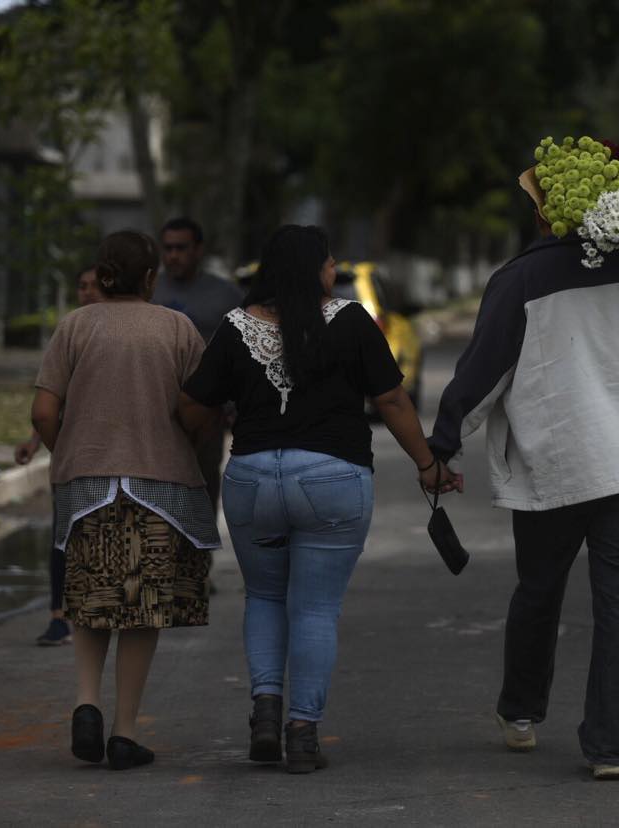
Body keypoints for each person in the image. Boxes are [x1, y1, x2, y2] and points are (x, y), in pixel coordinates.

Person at [428, 153, 619, 780]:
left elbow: (480, 377)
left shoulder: (518, 281)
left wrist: (442, 447)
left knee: (539, 590)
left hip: (550, 468)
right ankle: (609, 747)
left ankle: (521, 711)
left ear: (541, 211)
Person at [179, 224, 458, 774]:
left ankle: (264, 711)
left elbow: (192, 409)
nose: (335, 271)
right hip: (332, 481)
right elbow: (394, 401)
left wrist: (214, 427)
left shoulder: (235, 329)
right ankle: (302, 734)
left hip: (253, 480)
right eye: (330, 262)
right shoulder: (351, 321)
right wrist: (428, 465)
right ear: (316, 269)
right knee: (314, 609)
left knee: (263, 597)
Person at [31, 230, 219, 771]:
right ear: (152, 278)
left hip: (87, 488)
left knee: (89, 598)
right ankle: (124, 732)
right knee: (142, 609)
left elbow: (44, 413)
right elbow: (195, 410)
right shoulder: (177, 328)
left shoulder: (74, 327)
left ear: (102, 274)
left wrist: (68, 453)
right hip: (160, 489)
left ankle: (86, 703)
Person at [15, 265, 102, 646]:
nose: (84, 293)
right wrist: (37, 443)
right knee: (61, 535)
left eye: (91, 286)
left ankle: (94, 610)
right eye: (80, 285)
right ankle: (58, 616)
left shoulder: (115, 334)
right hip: (71, 450)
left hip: (108, 451)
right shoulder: (71, 331)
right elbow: (51, 400)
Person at [151, 216, 244, 516]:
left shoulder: (225, 294)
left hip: (206, 415)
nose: (173, 255)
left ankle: (198, 559)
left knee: (200, 494)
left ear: (199, 249)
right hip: (152, 413)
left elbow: (242, 354)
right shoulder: (148, 290)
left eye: (181, 247)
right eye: (168, 248)